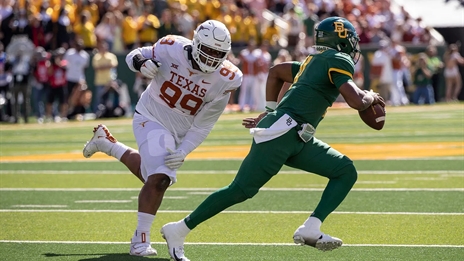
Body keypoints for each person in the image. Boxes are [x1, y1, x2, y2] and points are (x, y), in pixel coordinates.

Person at [160, 16, 385, 260]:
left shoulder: (315, 61)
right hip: (285, 131)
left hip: (296, 135)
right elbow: (356, 101)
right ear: (341, 39)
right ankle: (178, 229)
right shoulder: (338, 59)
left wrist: (270, 111)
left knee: (345, 170)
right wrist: (371, 97)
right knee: (241, 190)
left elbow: (276, 72)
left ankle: (311, 227)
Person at [82, 20, 242, 258]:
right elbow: (135, 54)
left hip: (179, 129)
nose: (211, 58)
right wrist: (141, 62)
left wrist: (185, 149)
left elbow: (205, 123)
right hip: (151, 115)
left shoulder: (228, 77)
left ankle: (108, 144)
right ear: (197, 43)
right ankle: (140, 239)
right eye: (208, 50)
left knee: (152, 176)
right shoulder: (172, 46)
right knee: (160, 178)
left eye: (218, 53)